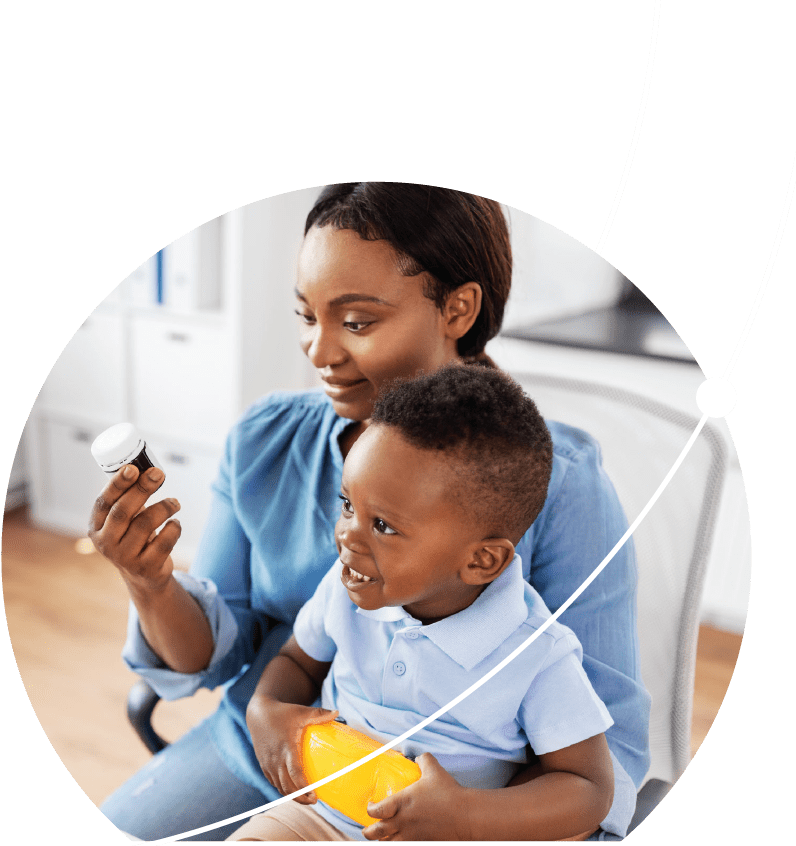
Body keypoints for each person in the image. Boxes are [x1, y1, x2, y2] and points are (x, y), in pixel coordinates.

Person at [90, 183, 650, 841]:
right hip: (278, 763)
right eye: (307, 316)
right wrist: (151, 581)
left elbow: (604, 769)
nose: (320, 353)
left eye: (356, 322)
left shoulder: (559, 489)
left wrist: (467, 818)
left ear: (459, 308)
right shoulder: (266, 439)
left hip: (467, 809)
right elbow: (216, 656)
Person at [228, 364, 615, 843]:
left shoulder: (537, 655)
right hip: (322, 821)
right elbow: (297, 661)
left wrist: (467, 816)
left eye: (383, 526)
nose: (348, 534)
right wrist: (265, 710)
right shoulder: (345, 589)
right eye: (348, 504)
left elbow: (589, 788)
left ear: (481, 561)